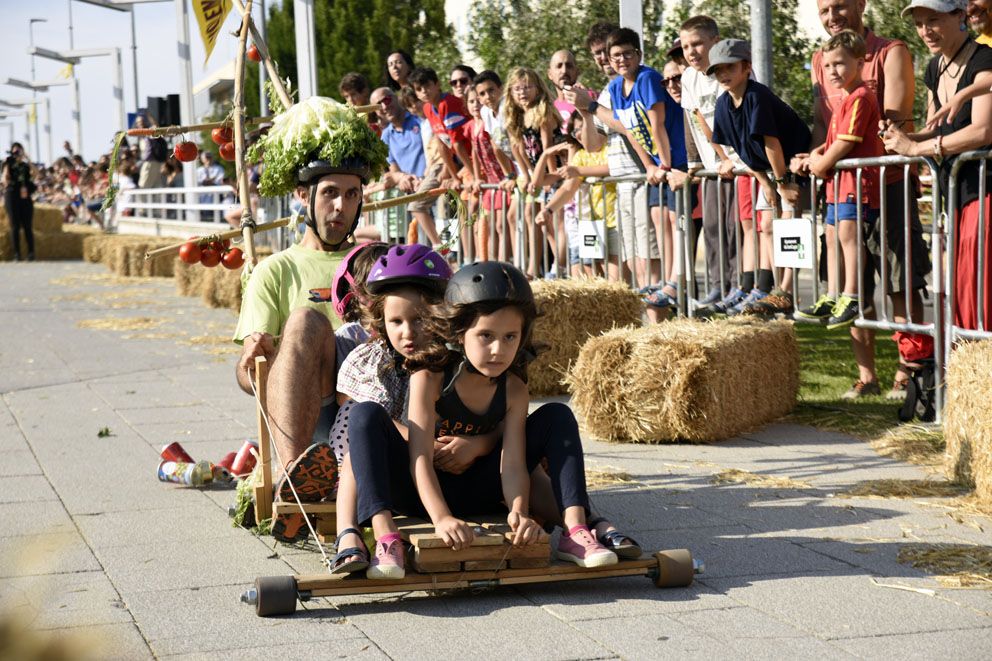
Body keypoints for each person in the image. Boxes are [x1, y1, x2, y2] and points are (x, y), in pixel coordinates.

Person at [347, 261, 625, 579]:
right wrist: (441, 519)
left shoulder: (515, 389)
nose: (498, 349)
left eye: (510, 337)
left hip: (480, 489)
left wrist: (519, 513)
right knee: (365, 414)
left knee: (557, 414)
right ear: (459, 332)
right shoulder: (429, 378)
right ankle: (386, 538)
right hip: (420, 495)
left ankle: (576, 531)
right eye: (485, 336)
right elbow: (419, 460)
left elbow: (513, 465)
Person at [232, 96, 389, 542]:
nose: (340, 206)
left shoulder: (375, 261)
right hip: (313, 413)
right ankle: (297, 475)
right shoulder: (275, 270)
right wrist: (253, 359)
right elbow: (248, 376)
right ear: (303, 196)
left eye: (352, 194)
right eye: (330, 193)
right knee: (304, 322)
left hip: (377, 406)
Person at [798, 0, 932, 400]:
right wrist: (814, 157)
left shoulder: (891, 51)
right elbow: (824, 122)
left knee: (898, 281)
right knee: (851, 282)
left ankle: (909, 372)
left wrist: (831, 156)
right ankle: (866, 376)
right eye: (824, 10)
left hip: (887, 182)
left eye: (840, 6)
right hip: (841, 182)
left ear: (861, 4)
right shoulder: (819, 59)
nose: (832, 15)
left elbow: (895, 120)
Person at [328, 244, 454, 571]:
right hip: (387, 464)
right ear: (381, 320)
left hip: (444, 469)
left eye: (420, 319)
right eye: (396, 321)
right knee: (362, 418)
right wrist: (420, 439)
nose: (408, 333)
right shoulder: (376, 360)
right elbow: (375, 422)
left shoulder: (458, 359)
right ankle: (349, 533)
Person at [882, 0, 992, 333]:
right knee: (958, 291)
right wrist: (901, 136)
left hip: (985, 194)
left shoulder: (985, 59)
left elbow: (983, 130)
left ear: (960, 16)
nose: (925, 31)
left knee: (979, 294)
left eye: (933, 20)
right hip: (955, 195)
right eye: (919, 23)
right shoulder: (934, 67)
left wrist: (917, 146)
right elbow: (937, 126)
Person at [710, 39, 811, 316]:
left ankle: (786, 291)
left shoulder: (757, 96)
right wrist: (766, 183)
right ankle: (774, 289)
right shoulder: (722, 104)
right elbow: (740, 148)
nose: (723, 74)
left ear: (746, 67)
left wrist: (783, 184)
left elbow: (772, 143)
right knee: (767, 226)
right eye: (717, 70)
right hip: (768, 172)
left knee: (790, 227)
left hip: (794, 163)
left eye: (729, 67)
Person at [796, 31, 886, 332]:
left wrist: (821, 163)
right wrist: (814, 155)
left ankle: (852, 294)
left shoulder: (860, 97)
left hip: (854, 186)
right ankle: (832, 294)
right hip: (837, 184)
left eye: (840, 64)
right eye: (827, 65)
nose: (833, 71)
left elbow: (847, 142)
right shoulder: (843, 100)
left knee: (849, 237)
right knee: (832, 238)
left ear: (859, 63)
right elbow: (832, 141)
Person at [676, 15, 743, 309]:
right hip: (712, 166)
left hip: (739, 164)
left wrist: (728, 158)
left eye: (698, 44)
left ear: (714, 42)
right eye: (686, 45)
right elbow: (695, 121)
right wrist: (695, 160)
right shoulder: (688, 78)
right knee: (714, 228)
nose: (691, 51)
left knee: (735, 229)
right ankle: (717, 286)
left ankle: (739, 285)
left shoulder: (726, 73)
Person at [504, 67, 564, 279]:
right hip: (536, 172)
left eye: (528, 87)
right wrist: (529, 176)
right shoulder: (518, 116)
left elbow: (548, 147)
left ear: (538, 89)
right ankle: (532, 268)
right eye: (517, 88)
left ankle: (559, 266)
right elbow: (518, 149)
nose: (522, 92)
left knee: (552, 222)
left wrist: (550, 176)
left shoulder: (543, 112)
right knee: (532, 216)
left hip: (554, 171)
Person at [409, 66, 474, 247]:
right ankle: (441, 248)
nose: (424, 92)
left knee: (467, 211)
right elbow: (442, 142)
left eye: (427, 86)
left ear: (437, 84)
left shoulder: (448, 103)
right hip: (454, 162)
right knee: (418, 205)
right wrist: (450, 173)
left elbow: (458, 143)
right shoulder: (429, 108)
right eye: (419, 89)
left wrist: (459, 176)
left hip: (472, 159)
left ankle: (472, 258)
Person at [371, 86, 425, 182]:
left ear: (396, 98)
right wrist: (403, 178)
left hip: (432, 180)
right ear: (376, 112)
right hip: (411, 188)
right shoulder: (385, 137)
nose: (384, 106)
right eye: (378, 105)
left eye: (387, 100)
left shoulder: (419, 119)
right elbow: (394, 170)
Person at [2, 143, 36, 261]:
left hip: (25, 196)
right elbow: (4, 179)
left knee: (27, 225)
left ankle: (31, 253)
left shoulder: (26, 166)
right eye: (15, 151)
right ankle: (17, 254)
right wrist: (9, 162)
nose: (17, 153)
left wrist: (27, 158)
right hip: (12, 195)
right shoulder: (8, 164)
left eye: (19, 151)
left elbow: (35, 173)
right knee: (15, 226)